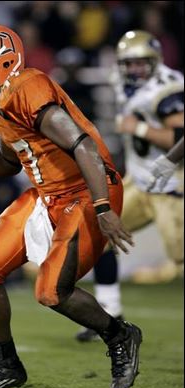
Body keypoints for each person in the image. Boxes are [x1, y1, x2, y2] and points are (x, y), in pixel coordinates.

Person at [0, 24, 142, 388]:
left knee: (51, 292)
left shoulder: (27, 88)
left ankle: (120, 335)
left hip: (88, 192)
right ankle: (6, 364)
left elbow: (84, 146)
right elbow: (10, 162)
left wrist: (104, 206)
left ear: (4, 62)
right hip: (47, 195)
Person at [76, 29, 184, 341]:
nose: (134, 69)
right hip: (139, 183)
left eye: (141, 63)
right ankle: (109, 314)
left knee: (180, 261)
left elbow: (180, 138)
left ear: (156, 61)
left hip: (172, 188)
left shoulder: (168, 88)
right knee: (103, 233)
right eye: (129, 63)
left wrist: (137, 127)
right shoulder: (122, 82)